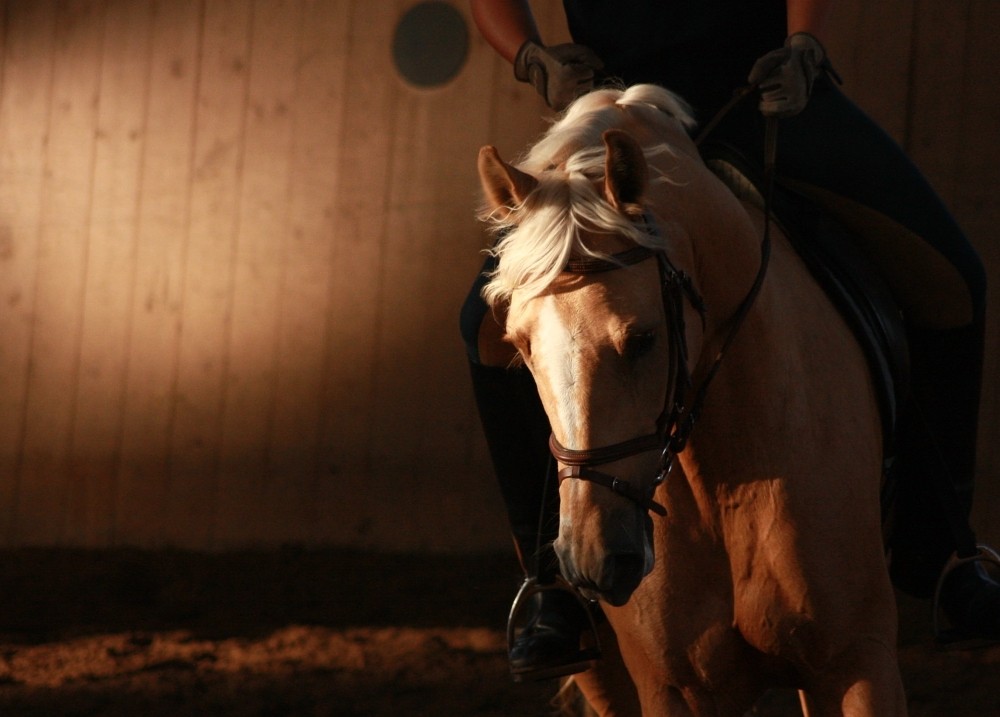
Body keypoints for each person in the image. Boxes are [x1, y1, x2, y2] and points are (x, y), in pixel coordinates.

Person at [460, 0, 1000, 681]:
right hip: (614, 116)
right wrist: (531, 55)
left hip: (760, 92)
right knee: (480, 325)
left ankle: (943, 551)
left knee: (952, 277)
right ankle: (552, 581)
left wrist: (802, 45)